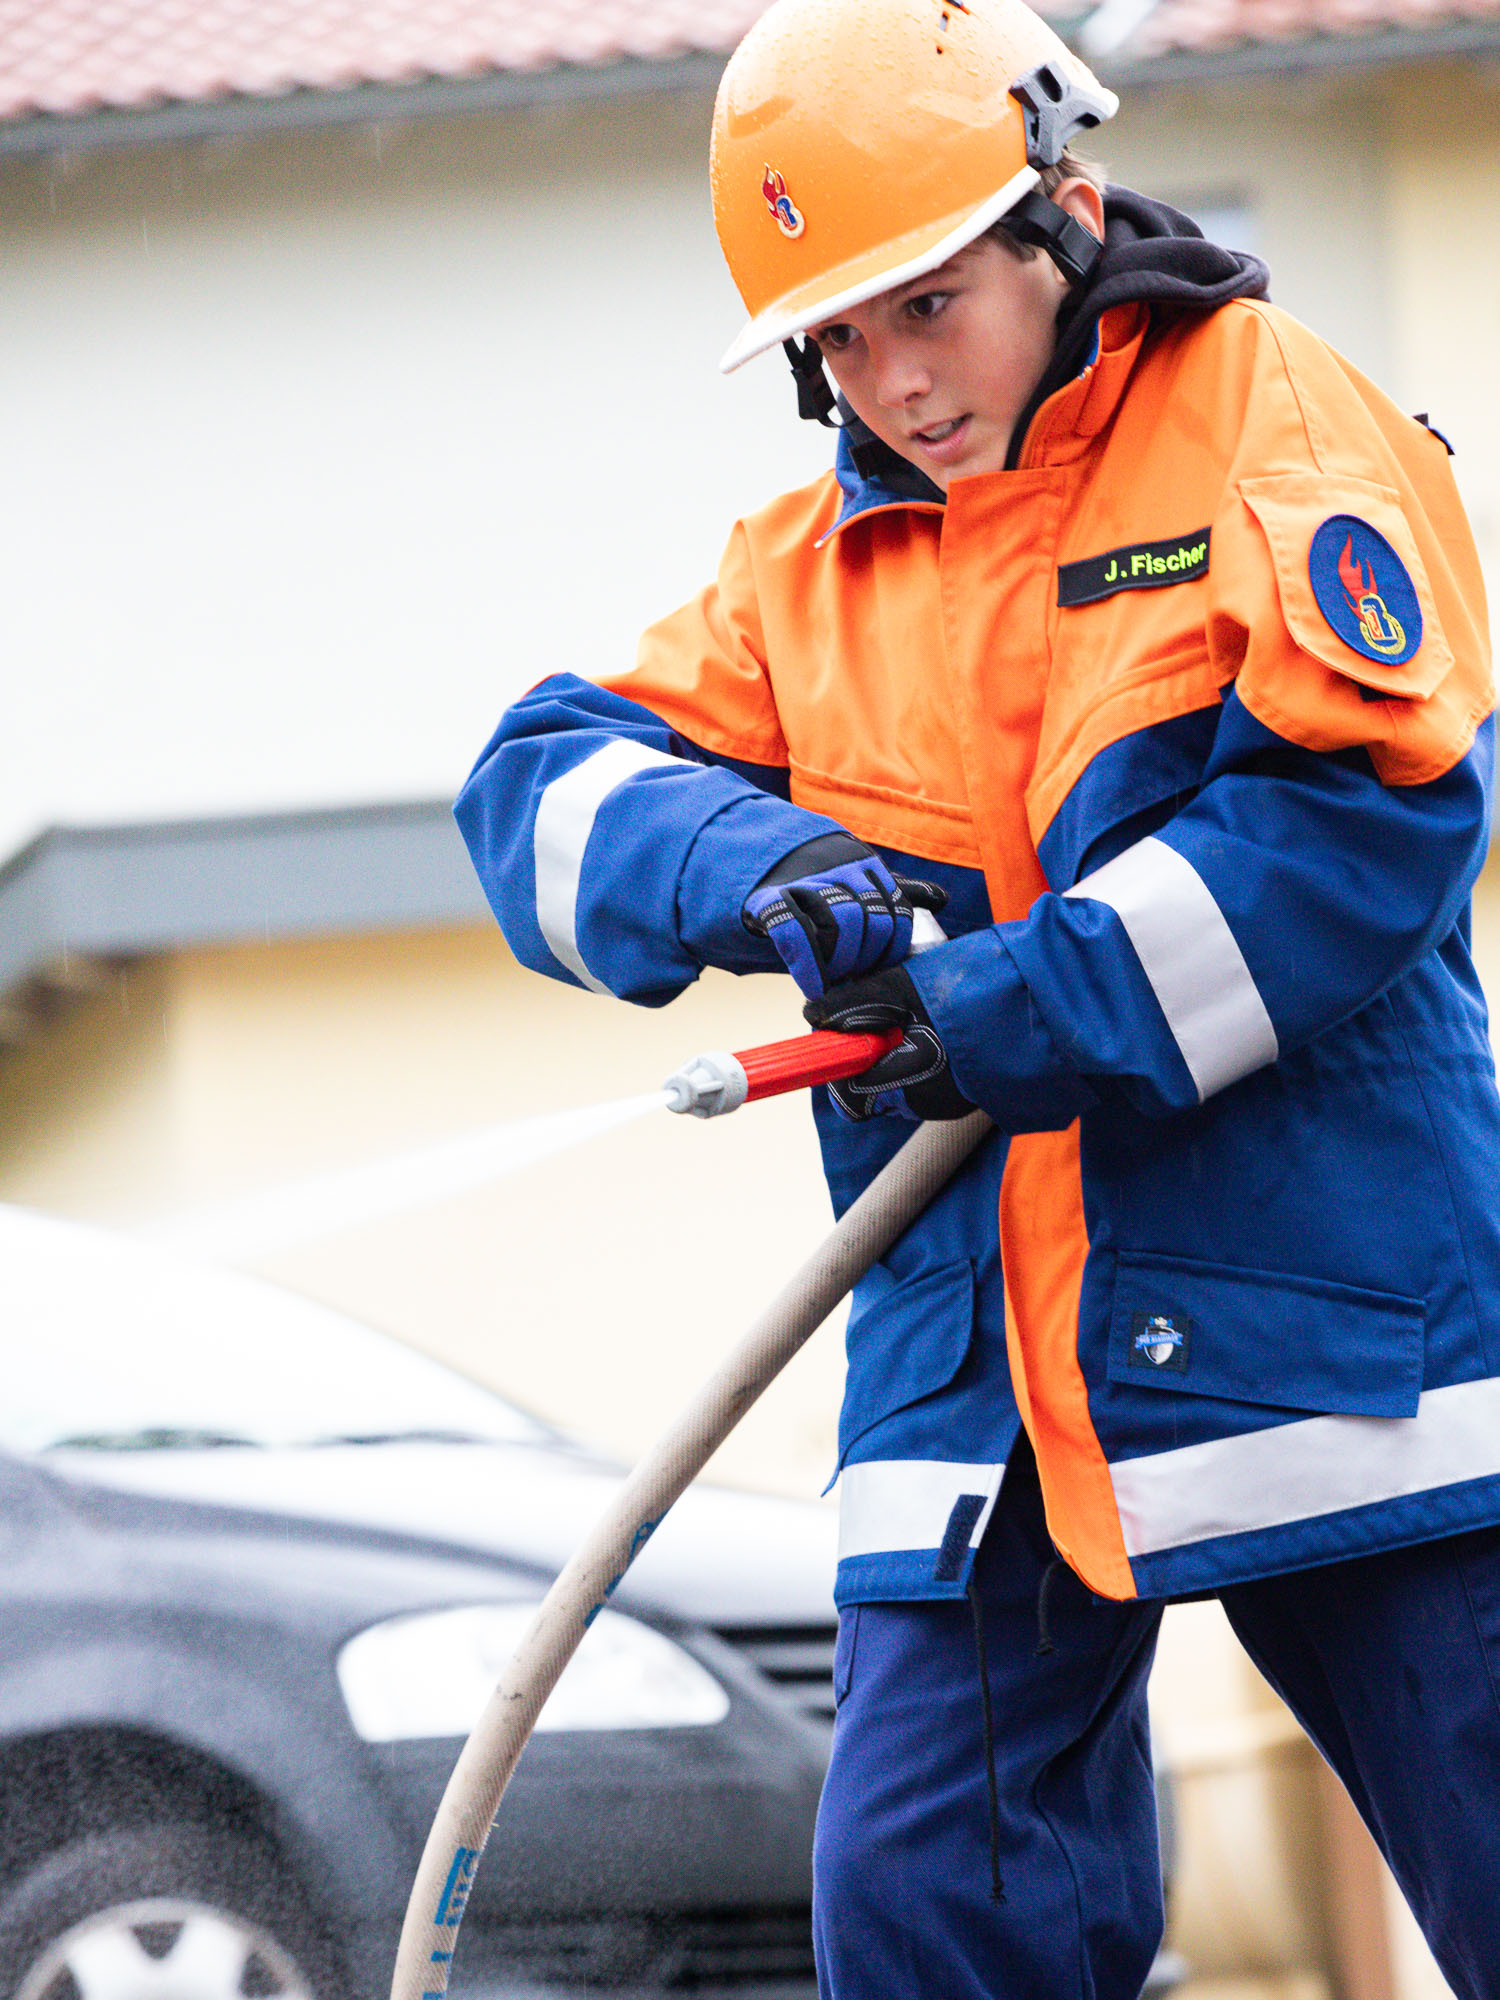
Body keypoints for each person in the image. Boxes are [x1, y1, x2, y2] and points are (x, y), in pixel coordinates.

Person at [454, 0, 1500, 1991]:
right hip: (978, 1395)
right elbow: (541, 786)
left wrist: (1012, 1005)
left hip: (1355, 1351)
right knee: (922, 1917)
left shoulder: (1271, 415)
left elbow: (1363, 822)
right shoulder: (808, 570)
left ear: (1060, 218)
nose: (891, 378)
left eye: (925, 306)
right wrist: (755, 865)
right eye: (837, 340)